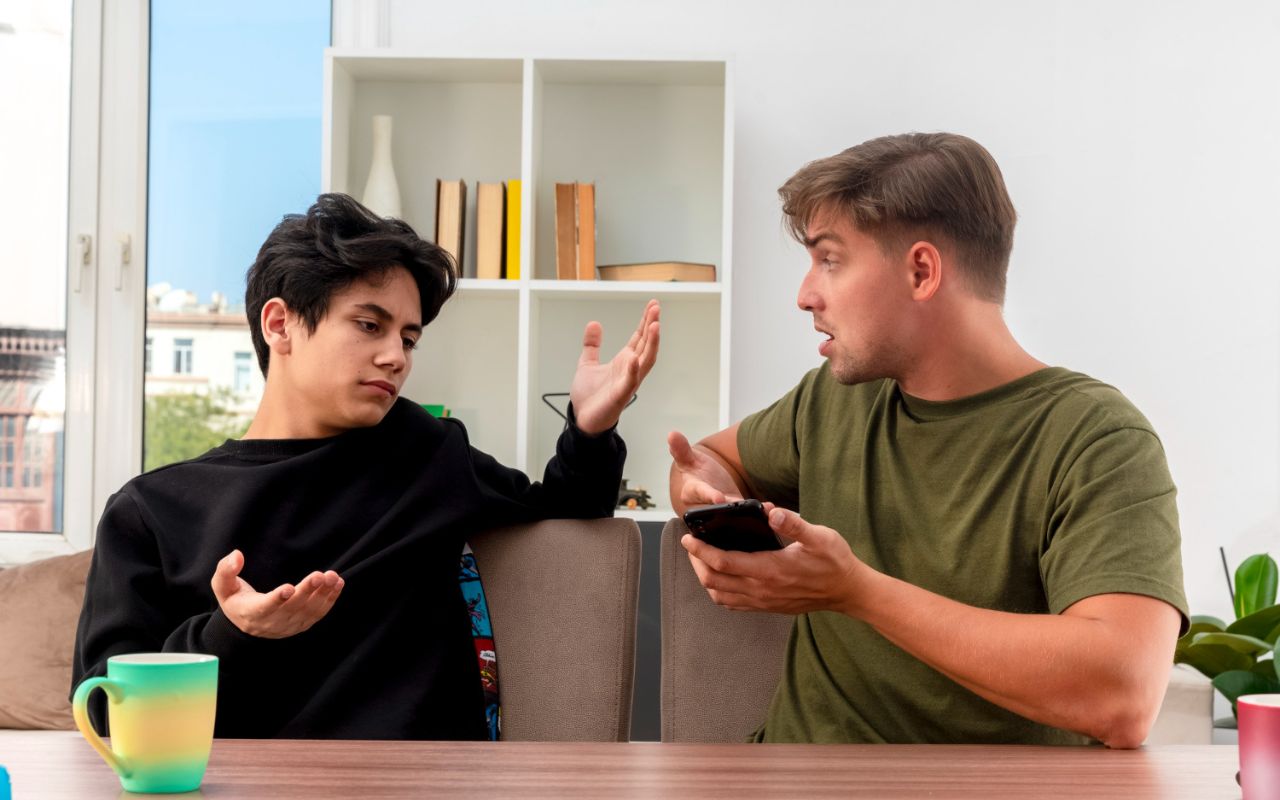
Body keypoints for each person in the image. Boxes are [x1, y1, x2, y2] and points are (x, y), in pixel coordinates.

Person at [73, 193, 660, 740]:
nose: (395, 357)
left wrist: (590, 424)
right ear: (280, 325)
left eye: (409, 338)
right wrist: (235, 633)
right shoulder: (150, 511)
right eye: (369, 325)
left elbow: (565, 513)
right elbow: (103, 713)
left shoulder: (425, 450)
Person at [667, 132, 1187, 749]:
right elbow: (709, 459)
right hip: (793, 780)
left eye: (829, 260)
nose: (805, 295)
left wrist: (856, 591)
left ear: (921, 271)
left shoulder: (1098, 440)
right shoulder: (831, 400)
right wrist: (710, 496)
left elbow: (1122, 694)